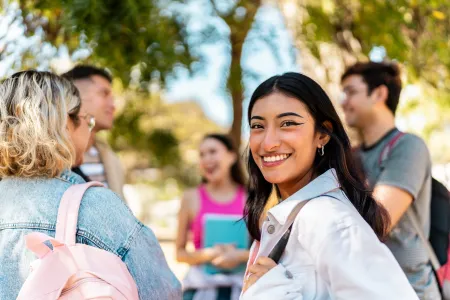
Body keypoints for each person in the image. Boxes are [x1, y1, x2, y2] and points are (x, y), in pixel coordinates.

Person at [0, 71, 181, 299]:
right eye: (88, 120)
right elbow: (164, 292)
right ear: (66, 122)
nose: (89, 129)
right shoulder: (93, 206)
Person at [240, 72, 418, 299]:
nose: (268, 142)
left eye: (288, 123)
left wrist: (273, 290)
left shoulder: (325, 217)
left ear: (322, 134)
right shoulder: (294, 215)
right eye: (257, 126)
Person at [341, 62, 440, 299]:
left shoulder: (407, 147)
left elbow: (378, 221)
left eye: (351, 92)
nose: (343, 101)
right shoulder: (350, 156)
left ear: (379, 94)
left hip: (411, 290)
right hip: (366, 289)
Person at [176, 134, 249, 300]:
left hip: (240, 287)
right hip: (199, 286)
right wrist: (209, 254)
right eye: (202, 154)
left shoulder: (250, 198)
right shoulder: (190, 197)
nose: (206, 159)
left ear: (231, 157)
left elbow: (263, 250)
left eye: (212, 152)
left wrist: (239, 256)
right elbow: (179, 253)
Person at [62, 65, 125, 199]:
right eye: (104, 94)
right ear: (75, 96)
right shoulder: (52, 159)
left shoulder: (110, 158)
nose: (113, 106)